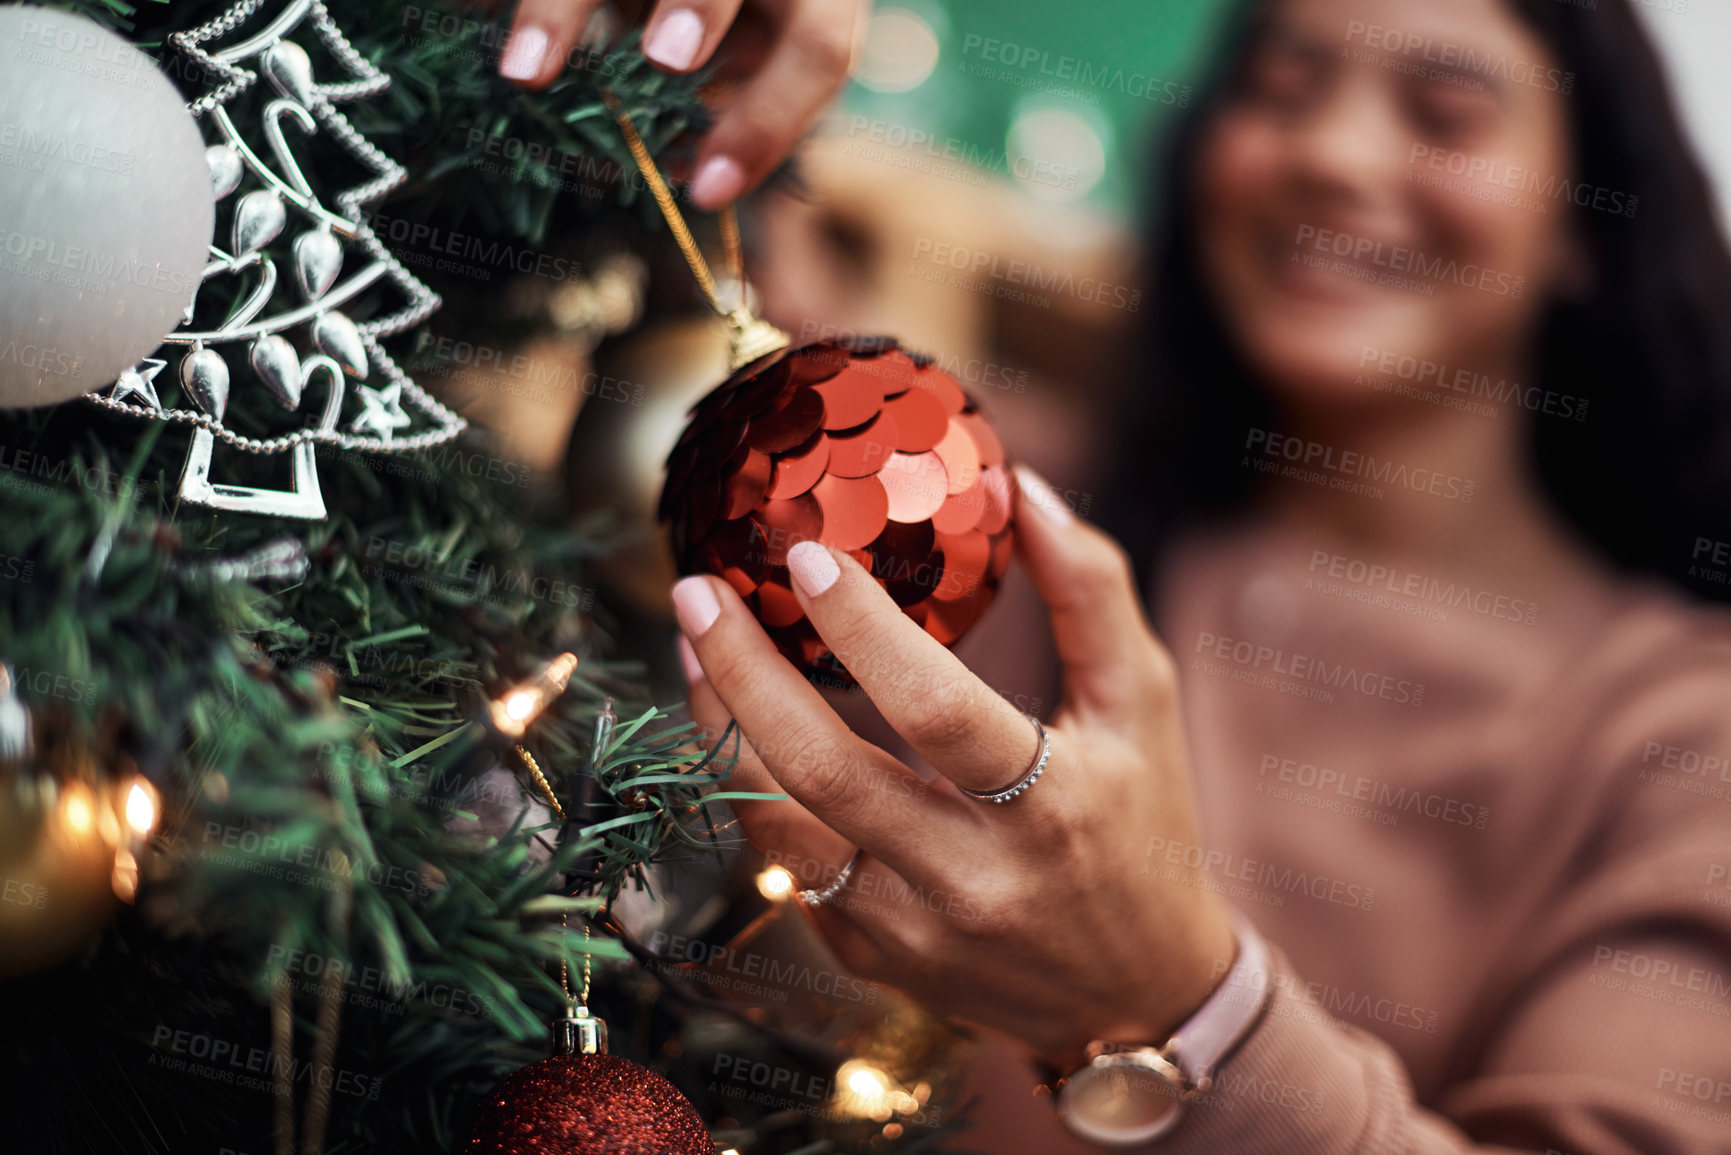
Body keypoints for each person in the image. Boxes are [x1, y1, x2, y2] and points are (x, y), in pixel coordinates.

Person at [511, 0, 1731, 1150]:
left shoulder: (1687, 733)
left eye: (1446, 113)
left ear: (1588, 221)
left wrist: (1180, 1008)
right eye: (1278, 90)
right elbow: (745, 292)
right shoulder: (996, 499)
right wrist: (719, 66)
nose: (1335, 154)